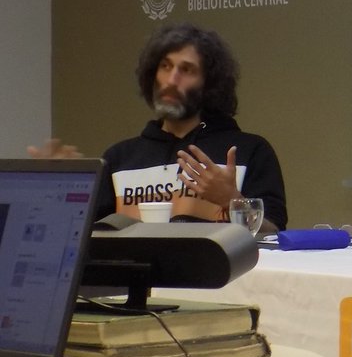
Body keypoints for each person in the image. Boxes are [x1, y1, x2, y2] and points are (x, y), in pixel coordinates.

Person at [32, 22, 288, 230]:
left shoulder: (248, 151)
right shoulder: (120, 159)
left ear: (210, 84)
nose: (171, 80)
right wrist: (56, 189)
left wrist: (231, 200)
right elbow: (80, 236)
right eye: (165, 66)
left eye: (186, 70)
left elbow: (273, 233)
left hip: (218, 279)